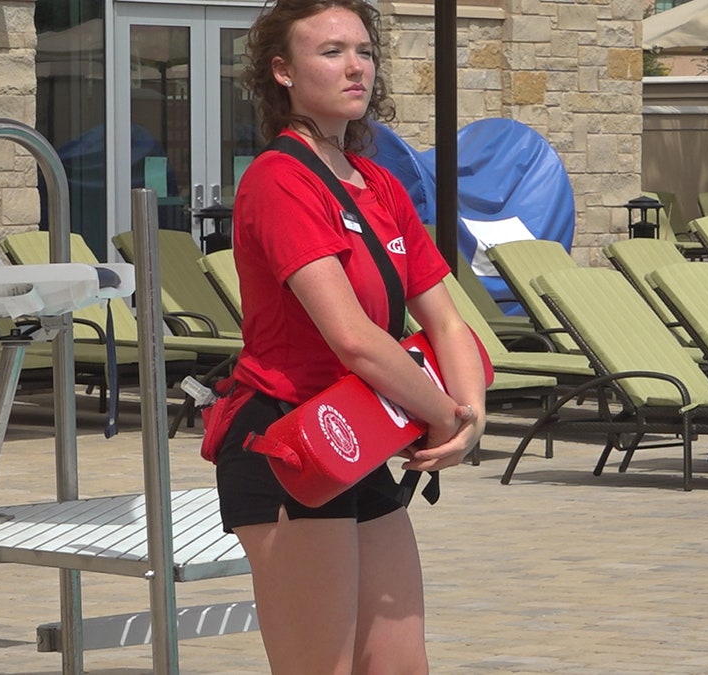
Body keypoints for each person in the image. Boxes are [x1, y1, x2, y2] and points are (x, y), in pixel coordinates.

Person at [212, 0, 487, 671]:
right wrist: (442, 412)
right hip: (288, 445)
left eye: (363, 50)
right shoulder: (280, 180)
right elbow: (353, 338)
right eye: (331, 51)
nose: (355, 65)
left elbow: (446, 319)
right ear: (282, 71)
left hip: (359, 440)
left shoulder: (381, 186)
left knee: (399, 665)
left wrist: (470, 416)